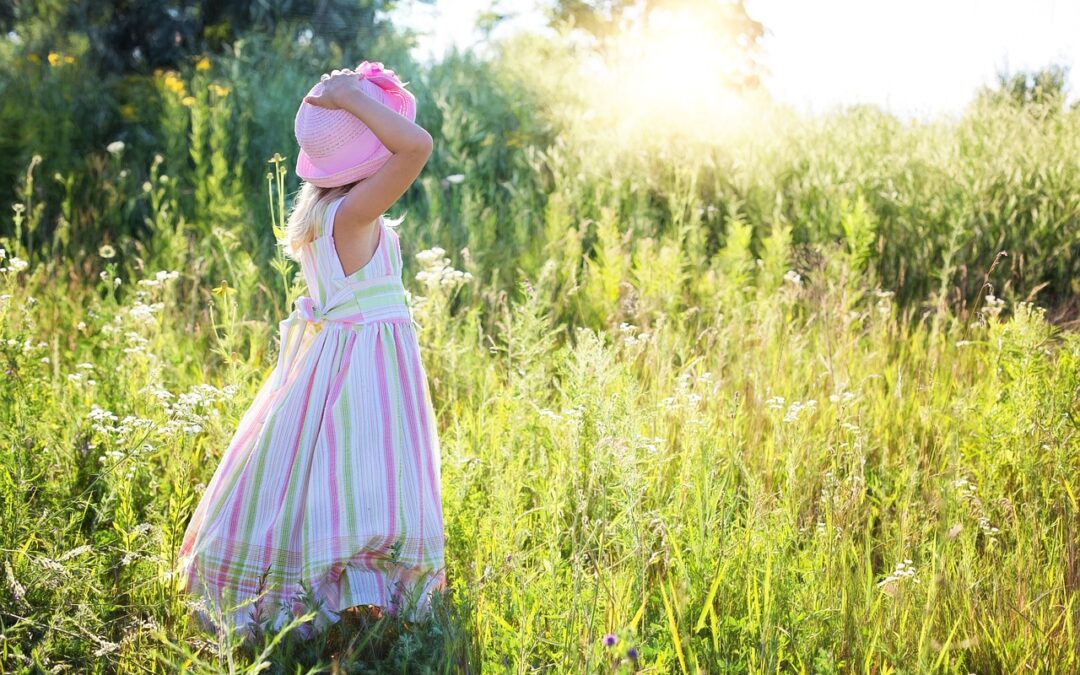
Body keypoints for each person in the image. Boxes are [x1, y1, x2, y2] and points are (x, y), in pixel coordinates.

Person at [176, 61, 447, 643]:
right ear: (370, 151)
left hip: (335, 362)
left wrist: (351, 101)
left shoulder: (324, 214)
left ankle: (344, 596)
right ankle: (360, 597)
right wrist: (351, 95)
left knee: (316, 476)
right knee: (365, 478)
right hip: (366, 370)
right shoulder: (353, 215)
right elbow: (418, 147)